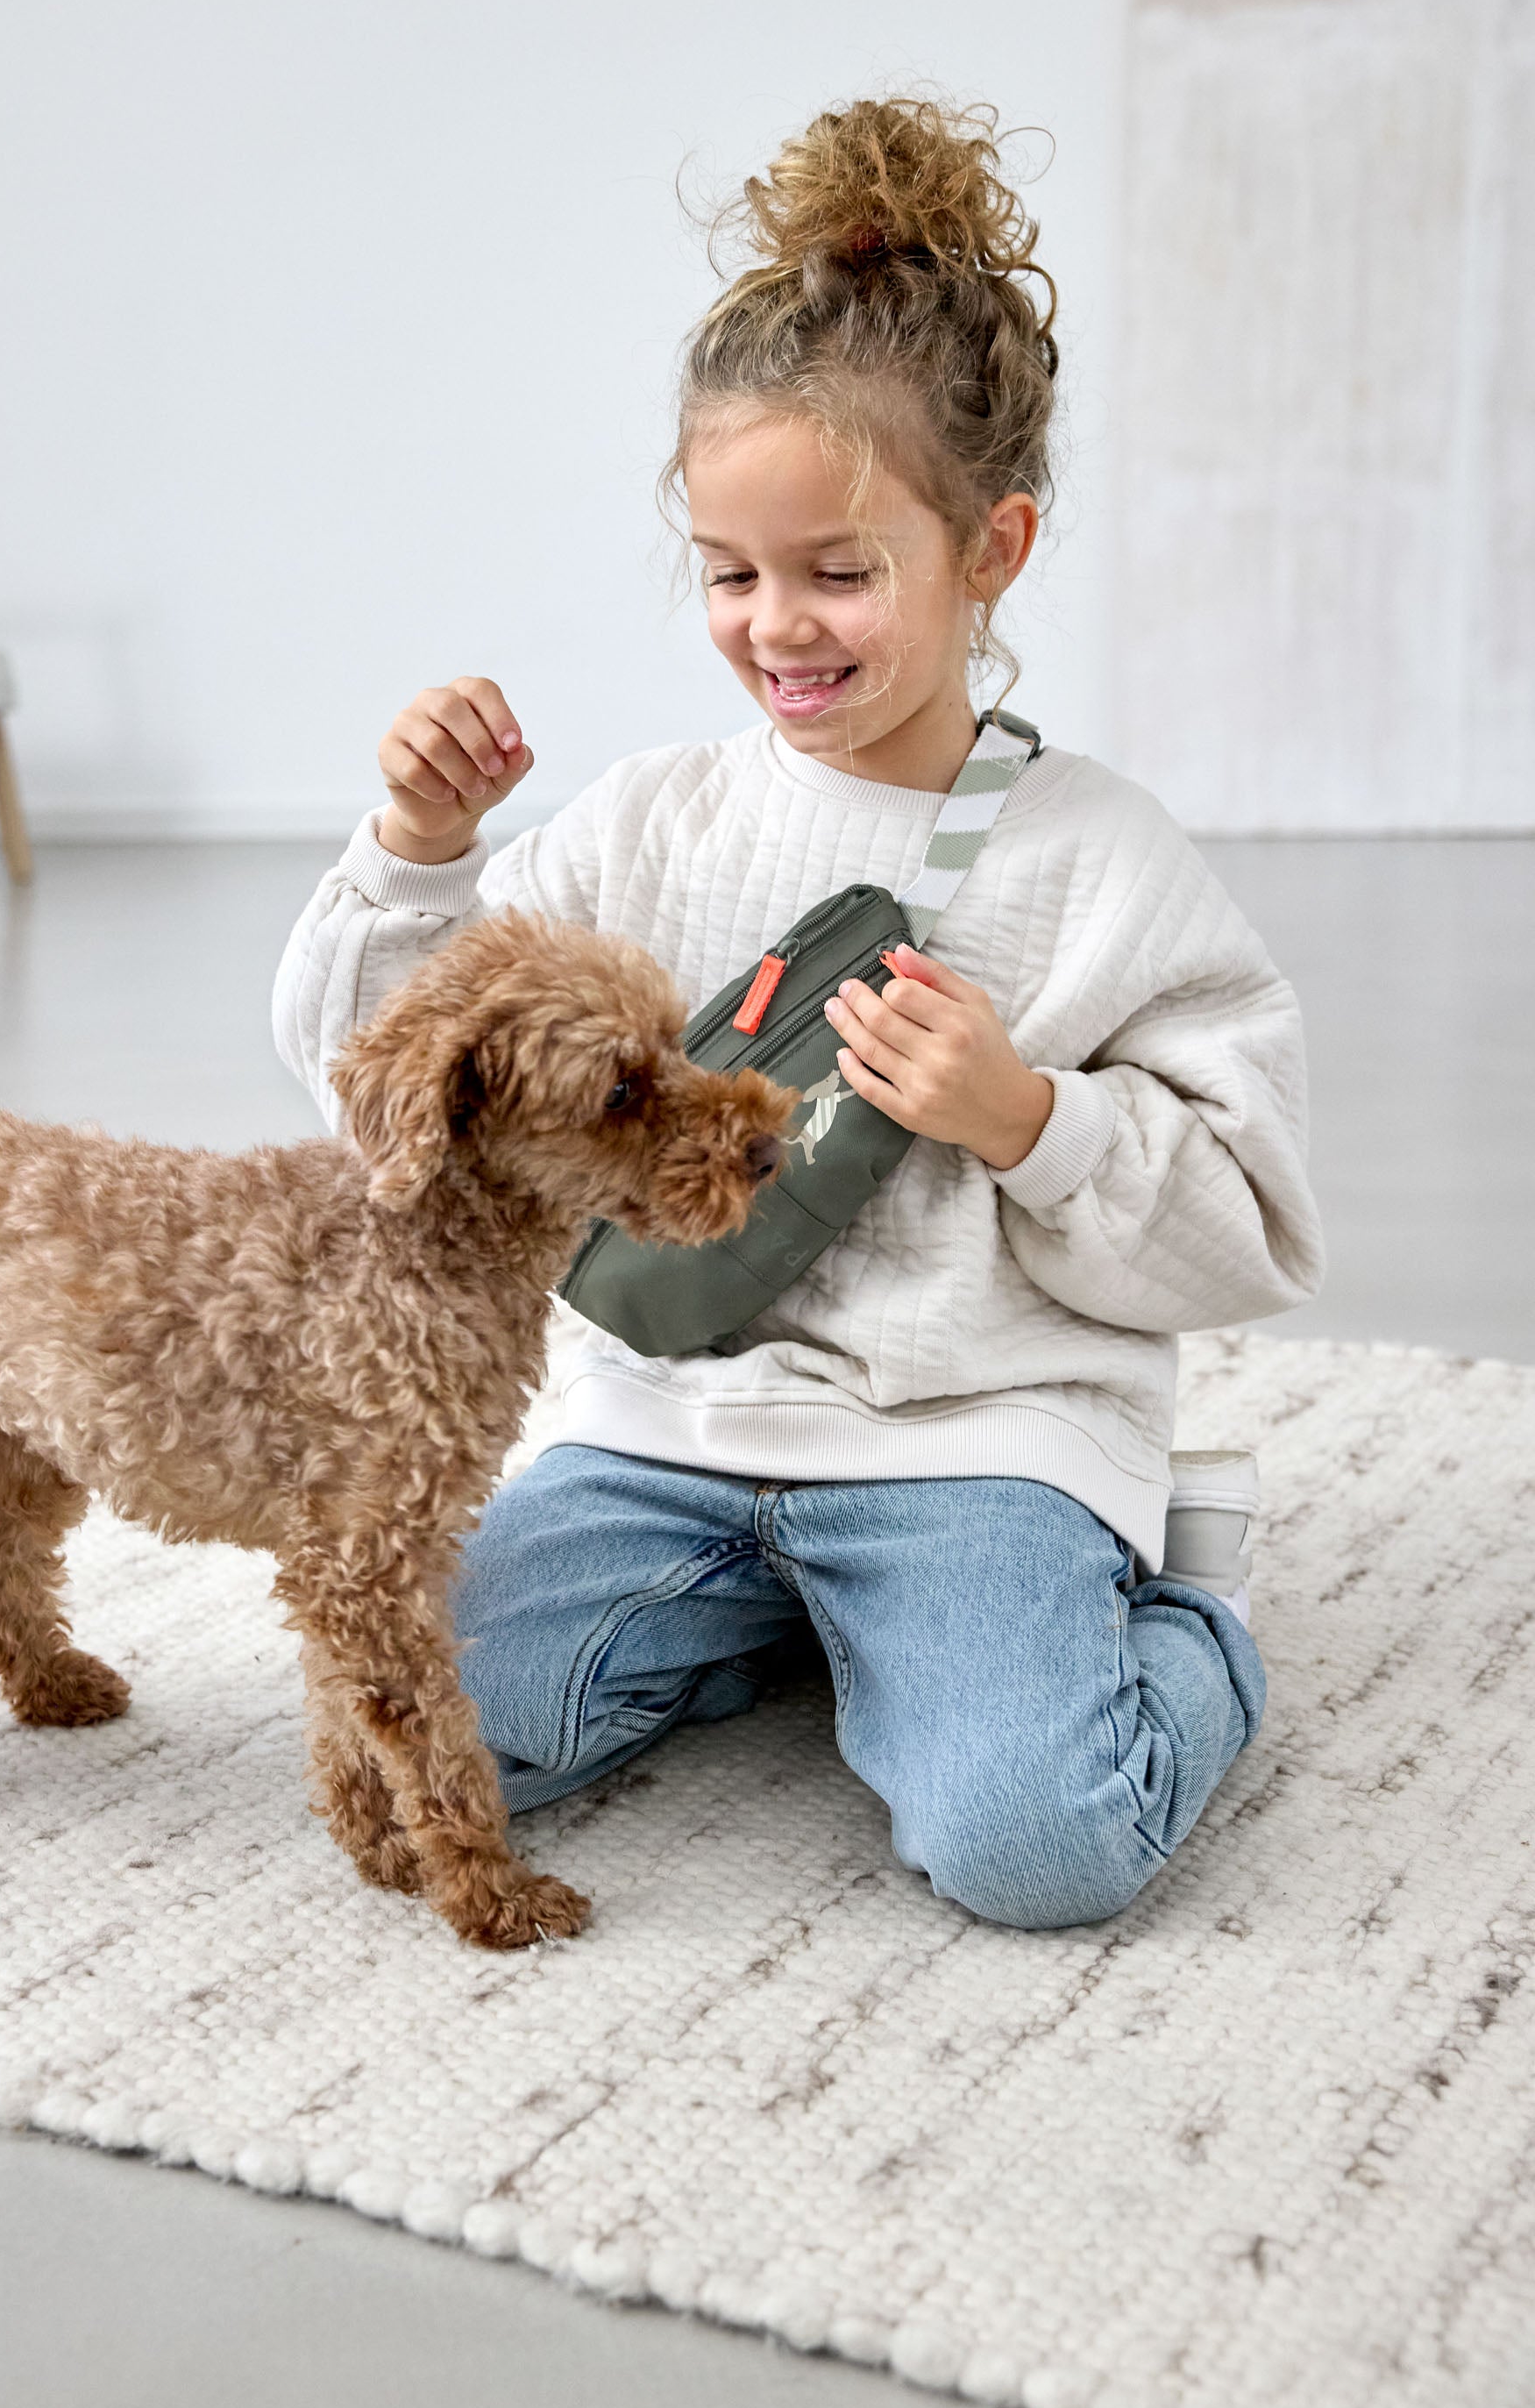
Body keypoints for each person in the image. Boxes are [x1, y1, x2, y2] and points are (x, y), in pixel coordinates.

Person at [273, 96, 1324, 1931]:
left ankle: (1184, 1616)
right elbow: (372, 1093)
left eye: (841, 572)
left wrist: (1031, 1121)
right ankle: (789, 1639)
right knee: (400, 1753)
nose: (779, 625)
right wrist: (420, 854)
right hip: (657, 1432)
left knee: (1035, 1844)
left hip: (972, 1443)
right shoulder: (650, 823)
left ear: (988, 549)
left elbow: (1248, 1227)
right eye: (729, 572)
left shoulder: (1098, 858)